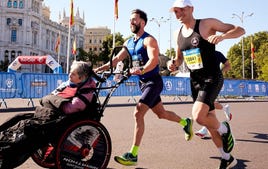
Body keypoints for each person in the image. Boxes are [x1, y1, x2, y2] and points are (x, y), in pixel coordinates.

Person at [94, 9, 193, 166]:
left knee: (138, 112)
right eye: (130, 20)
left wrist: (143, 69)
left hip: (153, 81)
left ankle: (133, 154)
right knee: (161, 114)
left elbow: (154, 60)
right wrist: (99, 69)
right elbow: (116, 59)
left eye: (134, 19)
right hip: (143, 83)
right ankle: (185, 123)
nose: (131, 22)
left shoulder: (149, 40)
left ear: (142, 22)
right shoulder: (128, 42)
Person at [167, 0, 245, 169]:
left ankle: (224, 129)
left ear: (191, 9)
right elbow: (179, 58)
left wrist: (223, 36)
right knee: (209, 122)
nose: (178, 14)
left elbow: (240, 30)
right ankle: (227, 157)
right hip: (195, 80)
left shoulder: (207, 24)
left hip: (212, 77)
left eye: (181, 10)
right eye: (175, 11)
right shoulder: (177, 33)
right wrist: (172, 63)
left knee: (198, 116)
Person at [195, 51, 232, 138]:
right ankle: (224, 108)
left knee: (207, 104)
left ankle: (205, 129)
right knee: (208, 104)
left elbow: (228, 65)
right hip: (204, 81)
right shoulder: (198, 53)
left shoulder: (217, 54)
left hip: (215, 81)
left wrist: (220, 72)